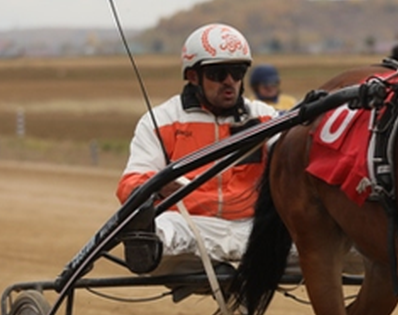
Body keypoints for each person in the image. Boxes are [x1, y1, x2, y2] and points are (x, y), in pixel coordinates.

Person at [115, 23, 279, 275]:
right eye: (218, 73)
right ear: (193, 76)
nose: (229, 82)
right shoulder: (161, 120)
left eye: (237, 72)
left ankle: (219, 270)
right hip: (190, 226)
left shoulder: (264, 118)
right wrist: (155, 186)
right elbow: (131, 182)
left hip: (252, 227)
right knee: (162, 232)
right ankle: (196, 265)